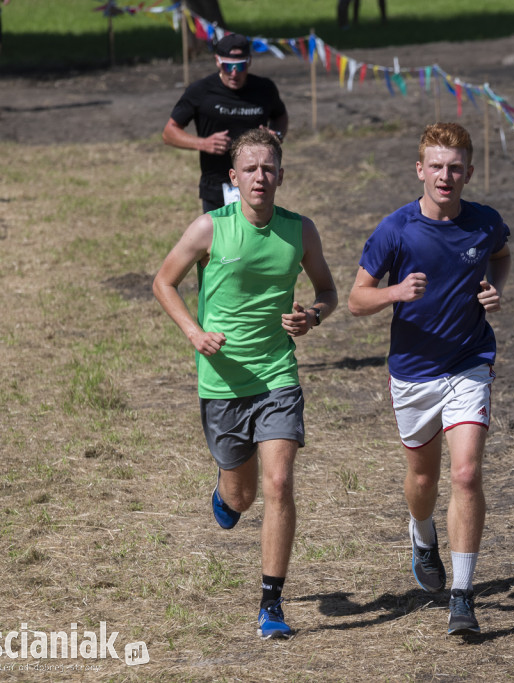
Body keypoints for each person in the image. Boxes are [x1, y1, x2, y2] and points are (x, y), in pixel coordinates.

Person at [153, 128, 337, 639]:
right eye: (250, 169)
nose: (261, 177)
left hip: (278, 374)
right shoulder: (209, 229)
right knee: (243, 497)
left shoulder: (300, 231)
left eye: (269, 168)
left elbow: (327, 290)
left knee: (279, 482)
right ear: (233, 178)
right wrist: (194, 332)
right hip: (223, 383)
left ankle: (271, 604)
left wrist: (313, 317)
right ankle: (225, 492)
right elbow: (163, 281)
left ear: (281, 174)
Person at [347, 122, 511, 635]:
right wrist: (395, 295)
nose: (446, 176)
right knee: (424, 480)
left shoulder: (485, 223)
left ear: (468, 171)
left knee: (466, 474)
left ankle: (462, 595)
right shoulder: (396, 230)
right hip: (414, 372)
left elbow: (502, 255)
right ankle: (421, 534)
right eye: (436, 166)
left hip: (468, 361)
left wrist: (493, 288)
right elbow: (355, 300)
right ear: (420, 170)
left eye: (455, 167)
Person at [162, 33, 289, 213]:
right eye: (228, 66)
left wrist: (276, 135)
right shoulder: (201, 91)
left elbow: (280, 116)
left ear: (250, 61)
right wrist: (203, 143)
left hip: (257, 184)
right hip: (216, 186)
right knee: (220, 241)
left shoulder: (264, 89)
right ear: (217, 61)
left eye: (240, 65)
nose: (234, 72)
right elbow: (169, 133)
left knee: (255, 239)